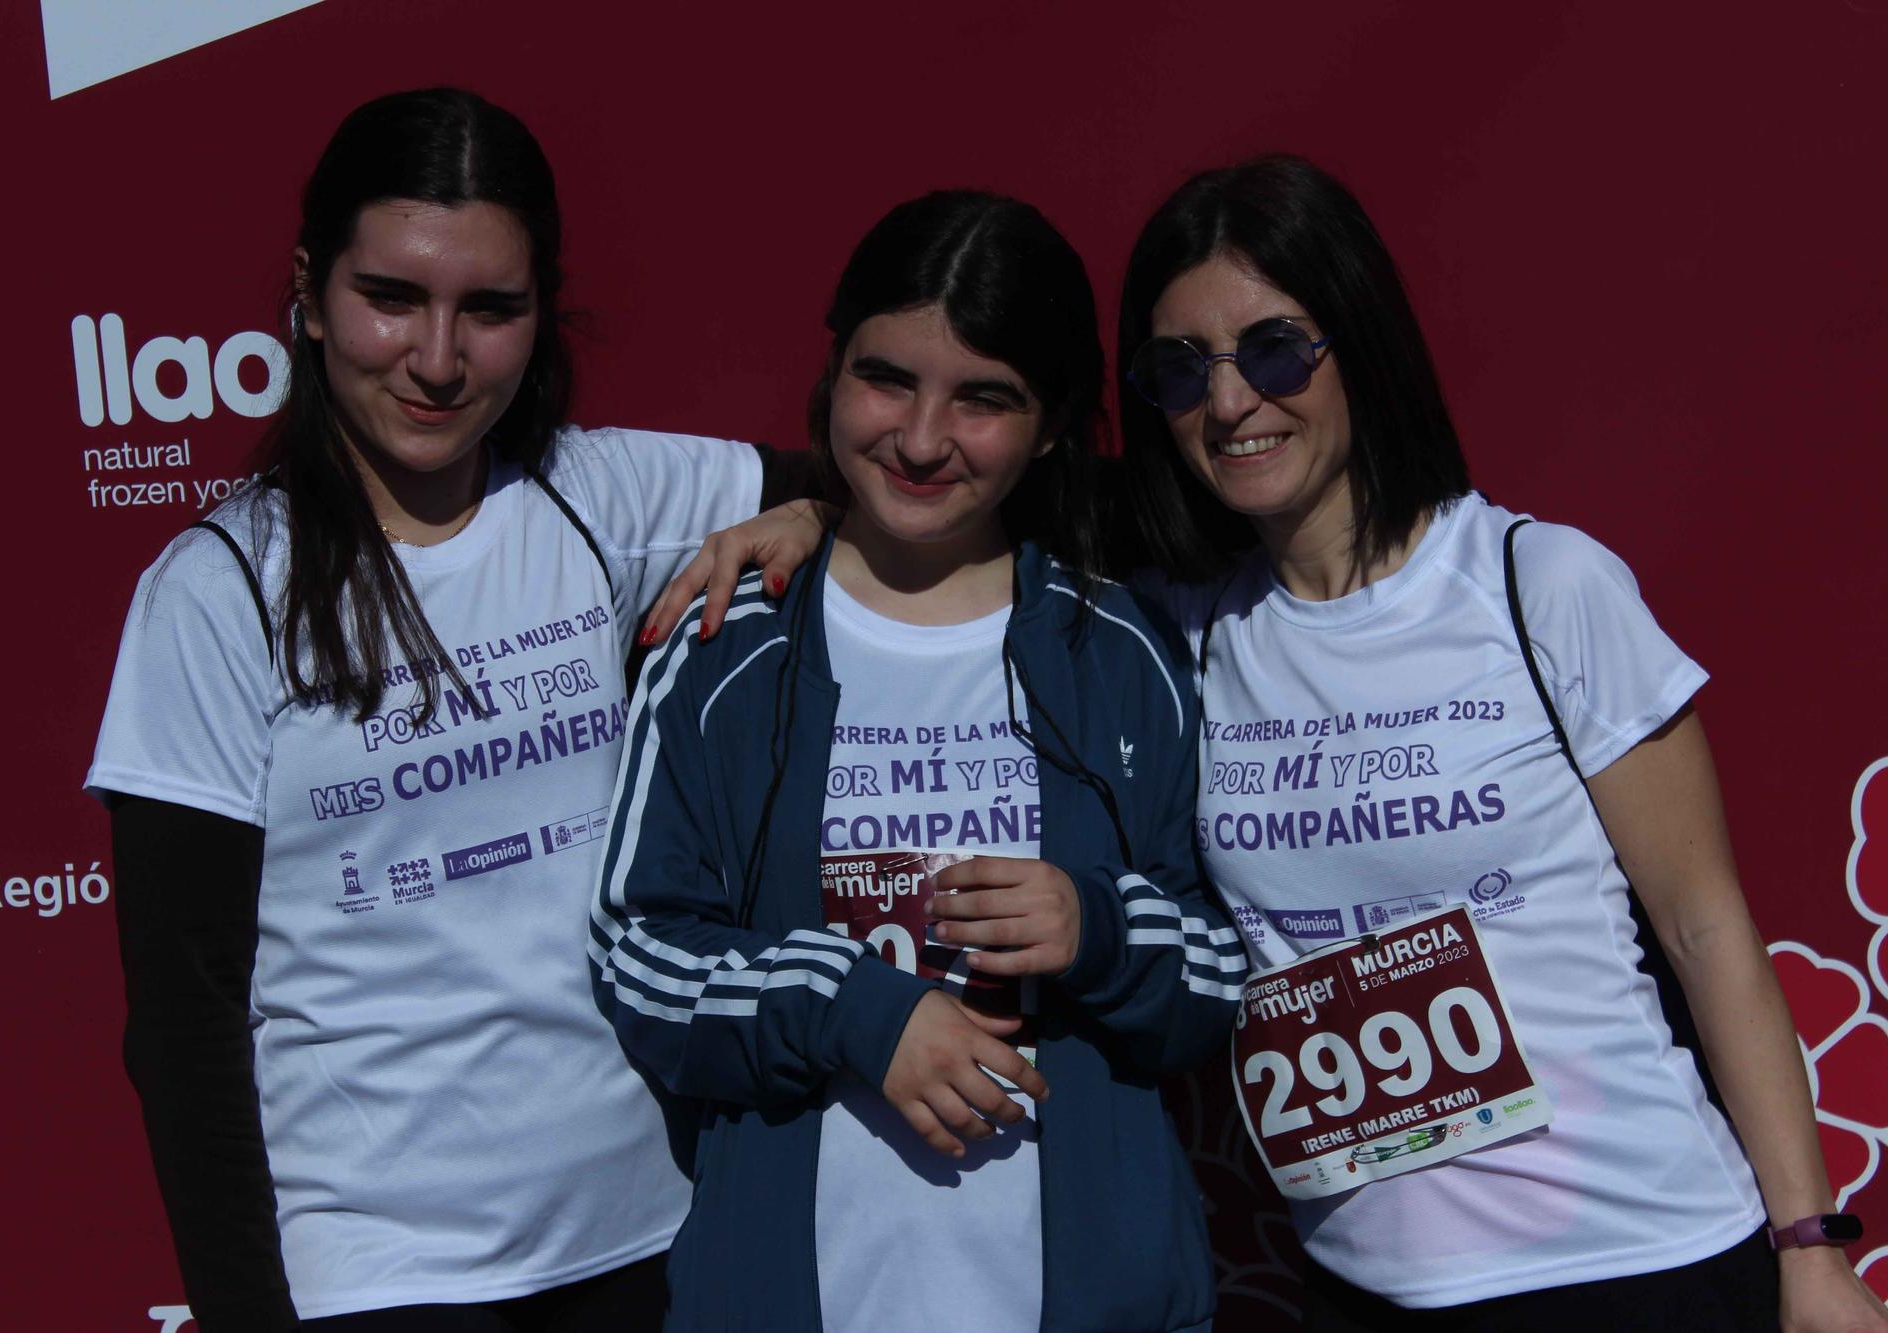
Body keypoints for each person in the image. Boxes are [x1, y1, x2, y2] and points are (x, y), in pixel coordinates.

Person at [1114, 155, 1888, 1331]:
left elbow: (1701, 924)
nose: (1229, 405)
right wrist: (816, 510)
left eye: (1275, 349)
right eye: (1182, 371)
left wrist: (1809, 1245)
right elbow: (948, 487)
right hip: (1367, 1286)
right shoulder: (1183, 634)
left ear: (1359, 345)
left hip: (1634, 1261)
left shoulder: (1537, 584)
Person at [87, 88, 771, 1331]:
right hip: (384, 1273)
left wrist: (810, 517)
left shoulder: (598, 493)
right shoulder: (219, 589)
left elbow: (910, 488)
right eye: (390, 298)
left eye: (489, 310)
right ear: (308, 292)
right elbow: (184, 1021)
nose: (438, 359)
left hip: (656, 1231)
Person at [589, 190, 1245, 1332]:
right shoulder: (724, 643)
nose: (922, 437)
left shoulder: (1123, 648)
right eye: (885, 378)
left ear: (1048, 427)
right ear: (831, 371)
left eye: (983, 399)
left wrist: (1097, 926)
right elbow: (636, 956)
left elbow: (1222, 973)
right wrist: (853, 1007)